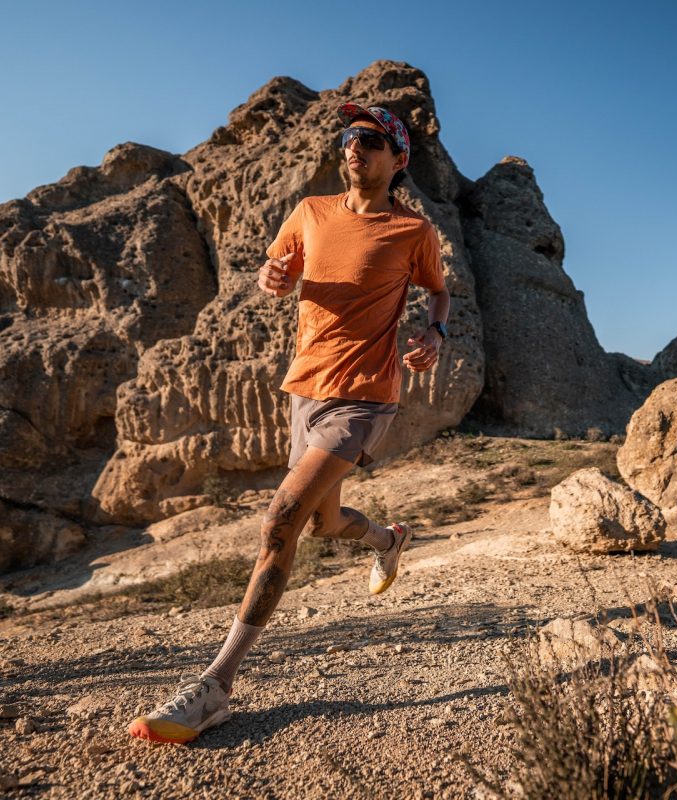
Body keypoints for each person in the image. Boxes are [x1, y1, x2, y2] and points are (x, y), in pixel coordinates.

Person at [128, 103, 451, 744]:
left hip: (365, 393)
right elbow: (274, 273)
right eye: (348, 138)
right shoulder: (309, 211)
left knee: (281, 519)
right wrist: (273, 276)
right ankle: (388, 540)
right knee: (326, 522)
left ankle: (215, 686)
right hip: (304, 387)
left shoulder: (413, 232)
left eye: (369, 139)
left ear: (396, 159)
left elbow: (437, 290)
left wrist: (433, 329)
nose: (353, 147)